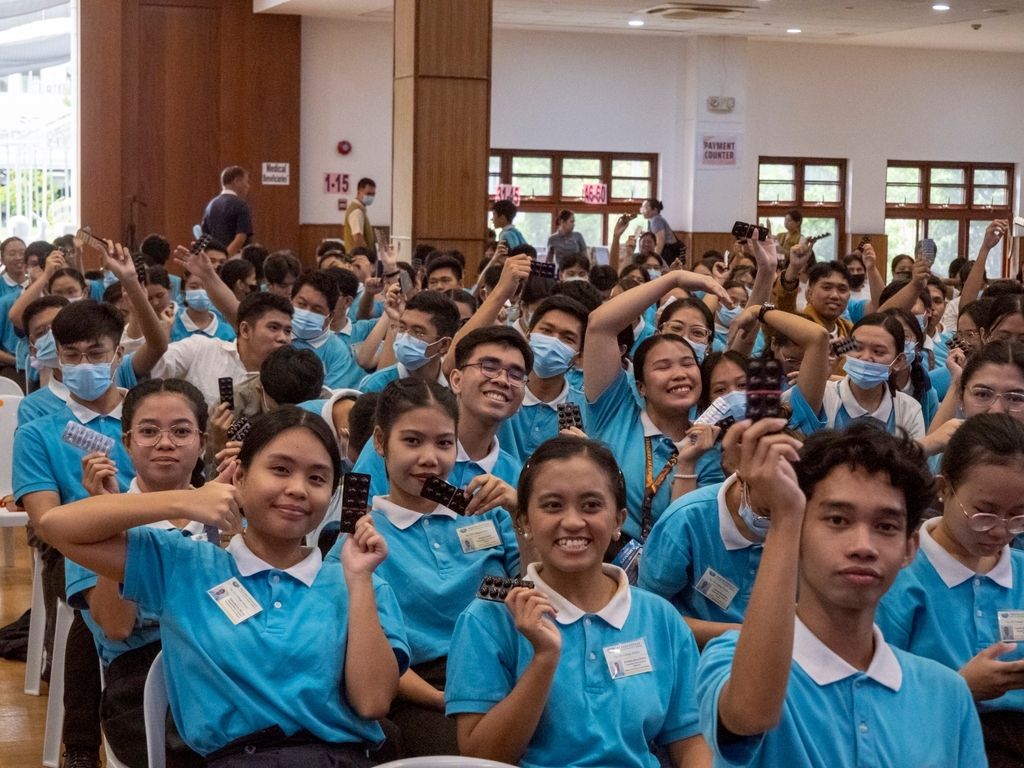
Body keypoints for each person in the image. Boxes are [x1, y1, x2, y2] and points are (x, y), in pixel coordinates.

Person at [35, 406, 407, 767]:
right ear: (240, 478)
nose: (297, 489)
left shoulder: (355, 575)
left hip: (343, 758)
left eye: (317, 478)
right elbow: (54, 525)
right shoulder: (186, 564)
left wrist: (358, 581)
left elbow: (373, 702)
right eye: (279, 470)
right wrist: (185, 498)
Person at [695, 420, 986, 767]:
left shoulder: (948, 694)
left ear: (910, 548)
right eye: (837, 520)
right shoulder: (730, 657)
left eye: (886, 527)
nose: (863, 547)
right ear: (797, 534)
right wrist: (786, 515)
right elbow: (749, 715)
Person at [446, 436, 712, 767]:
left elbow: (689, 740)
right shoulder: (487, 619)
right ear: (524, 521)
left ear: (617, 521)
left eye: (591, 505)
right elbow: (482, 759)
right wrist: (543, 659)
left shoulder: (660, 618)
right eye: (552, 505)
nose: (573, 522)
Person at [328, 379, 519, 759]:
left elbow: (534, 585)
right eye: (412, 441)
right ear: (381, 443)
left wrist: (524, 515)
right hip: (424, 686)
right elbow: (372, 651)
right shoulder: (360, 540)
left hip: (508, 667)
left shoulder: (490, 513)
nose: (430, 458)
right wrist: (441, 698)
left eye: (444, 443)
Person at [64, 379, 214, 767]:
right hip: (144, 682)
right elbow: (116, 627)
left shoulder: (226, 516)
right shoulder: (91, 524)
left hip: (224, 664)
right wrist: (116, 519)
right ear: (127, 442)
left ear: (203, 441)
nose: (165, 443)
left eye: (181, 431)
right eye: (149, 431)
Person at [878, 414, 1024, 766]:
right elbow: (873, 702)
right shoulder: (899, 577)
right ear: (943, 488)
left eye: (1018, 516)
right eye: (984, 513)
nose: (1000, 531)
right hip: (931, 736)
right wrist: (961, 688)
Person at [583, 269, 732, 545]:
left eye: (688, 364)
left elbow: (686, 534)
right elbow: (599, 324)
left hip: (669, 567)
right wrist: (673, 279)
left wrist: (687, 462)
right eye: (663, 366)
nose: (679, 374)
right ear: (640, 386)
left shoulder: (708, 444)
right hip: (602, 557)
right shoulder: (616, 410)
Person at [353, 327, 530, 501]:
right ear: (456, 380)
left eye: (515, 375)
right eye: (489, 367)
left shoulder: (514, 475)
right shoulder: (393, 443)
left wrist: (517, 513)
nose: (502, 380)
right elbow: (349, 521)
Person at [785, 312, 926, 440]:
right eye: (857, 348)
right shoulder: (821, 395)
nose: (865, 357)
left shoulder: (909, 409)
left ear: (898, 361)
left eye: (878, 352)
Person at [150, 291, 293, 406]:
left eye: (287, 331)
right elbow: (150, 368)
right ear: (245, 330)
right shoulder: (201, 349)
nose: (283, 338)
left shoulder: (288, 380)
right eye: (273, 327)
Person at [358, 290, 460, 392]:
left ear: (444, 344)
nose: (406, 337)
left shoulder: (457, 384)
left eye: (418, 332)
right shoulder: (376, 386)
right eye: (402, 328)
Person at [170, 270, 236, 343]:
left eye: (206, 287)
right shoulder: (172, 326)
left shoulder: (227, 332)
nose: (201, 292)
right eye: (194, 287)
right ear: (183, 293)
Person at [201, 166, 253, 257]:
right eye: (246, 181)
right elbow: (240, 238)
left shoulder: (211, 205)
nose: (248, 186)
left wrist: (213, 259)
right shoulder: (241, 205)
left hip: (213, 259)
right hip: (234, 258)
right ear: (237, 182)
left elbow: (205, 236)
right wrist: (224, 258)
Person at [343, 177, 377, 253]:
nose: (371, 197)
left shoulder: (360, 209)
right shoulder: (356, 211)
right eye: (368, 194)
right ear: (359, 192)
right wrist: (368, 256)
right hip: (358, 259)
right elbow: (358, 239)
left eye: (373, 194)